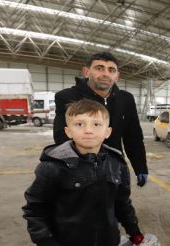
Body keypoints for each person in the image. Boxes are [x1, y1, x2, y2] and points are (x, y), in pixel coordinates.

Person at [22, 99, 144, 246]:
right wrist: (46, 245)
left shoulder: (117, 164)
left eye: (96, 124)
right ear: (68, 131)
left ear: (107, 132)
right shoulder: (53, 167)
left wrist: (133, 230)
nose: (88, 130)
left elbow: (122, 202)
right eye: (79, 123)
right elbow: (35, 208)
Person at [53, 52, 148, 187]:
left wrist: (140, 167)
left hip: (115, 167)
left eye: (111, 70)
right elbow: (61, 136)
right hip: (79, 168)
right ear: (86, 72)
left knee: (117, 205)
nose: (105, 74)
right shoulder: (68, 96)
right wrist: (74, 167)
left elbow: (133, 136)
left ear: (117, 76)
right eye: (99, 68)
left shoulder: (126, 99)